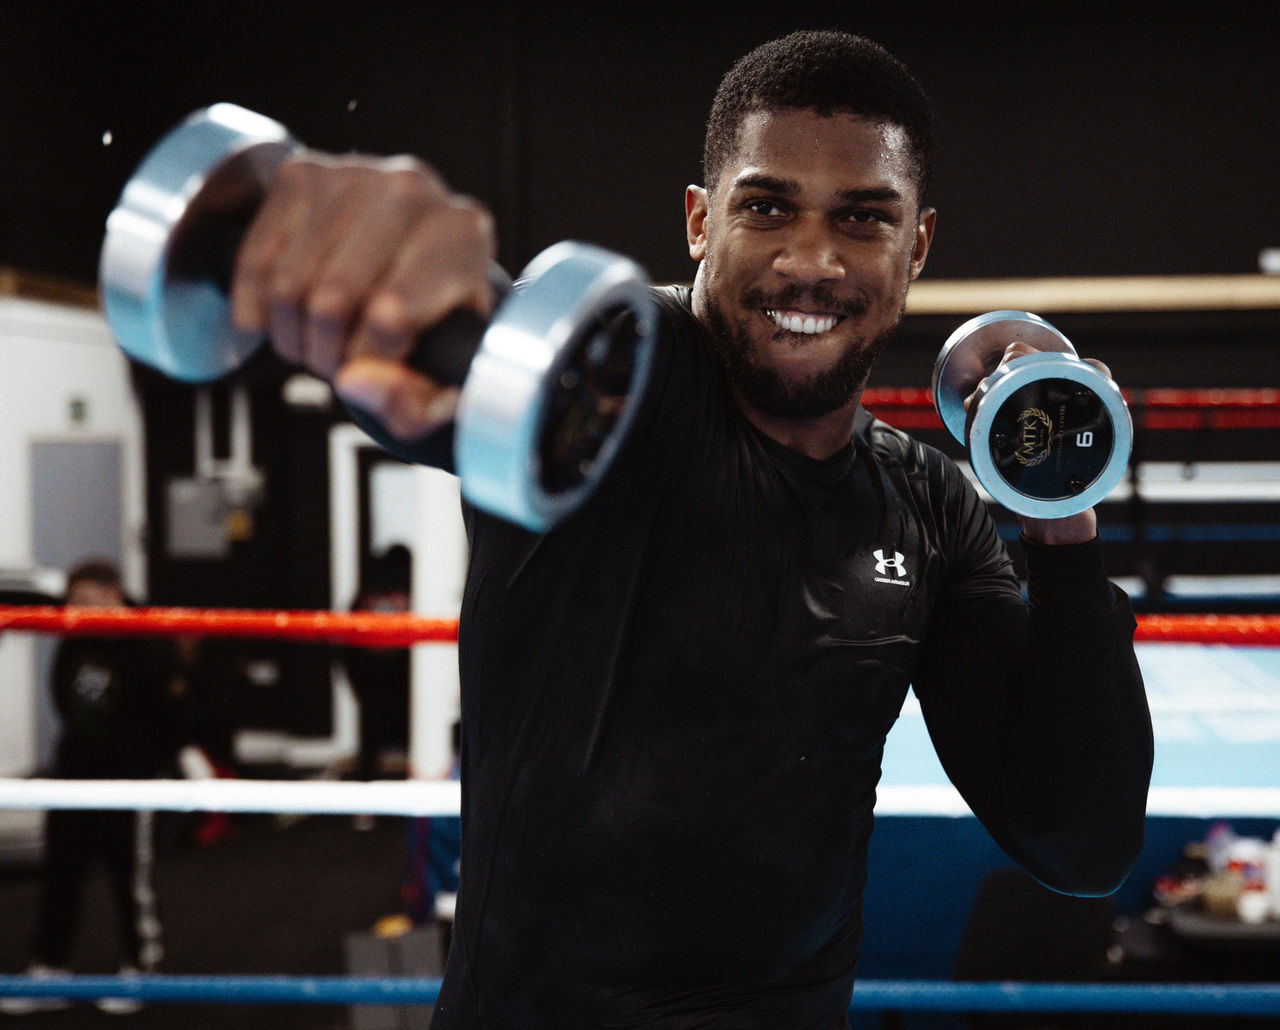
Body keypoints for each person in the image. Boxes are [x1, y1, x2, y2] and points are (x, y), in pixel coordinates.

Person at [225, 30, 1154, 1028]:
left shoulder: (927, 508)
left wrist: (1060, 513)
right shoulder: (615, 386)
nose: (811, 260)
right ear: (700, 221)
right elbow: (468, 363)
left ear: (915, 246)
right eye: (767, 207)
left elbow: (1080, 844)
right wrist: (381, 275)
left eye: (861, 217)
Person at [2, 561, 178, 1016]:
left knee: (129, 877)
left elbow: (161, 707)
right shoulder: (75, 637)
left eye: (85, 600)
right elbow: (64, 696)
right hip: (75, 772)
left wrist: (146, 763)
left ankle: (143, 969)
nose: (76, 609)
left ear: (112, 593)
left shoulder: (149, 639)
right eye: (72, 601)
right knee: (61, 872)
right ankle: (50, 967)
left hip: (130, 777)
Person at [341, 544, 413, 830]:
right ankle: (414, 810)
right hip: (396, 684)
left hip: (377, 684)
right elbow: (348, 642)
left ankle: (366, 810)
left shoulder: (366, 594)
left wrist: (356, 685)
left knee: (370, 750)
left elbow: (345, 646)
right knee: (411, 745)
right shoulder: (406, 592)